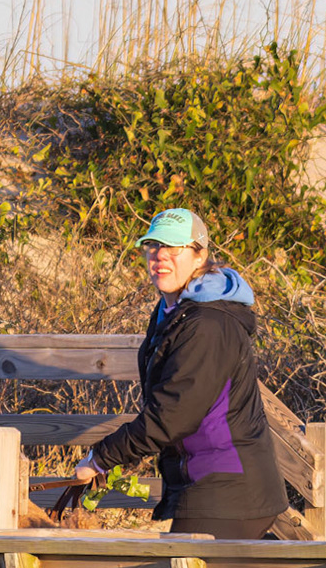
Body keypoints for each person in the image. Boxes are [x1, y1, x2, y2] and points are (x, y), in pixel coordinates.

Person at [71, 208, 286, 539]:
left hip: (228, 490)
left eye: (174, 247)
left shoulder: (208, 324)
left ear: (200, 256)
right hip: (208, 486)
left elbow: (172, 415)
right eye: (153, 246)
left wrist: (100, 458)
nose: (160, 256)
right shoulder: (172, 313)